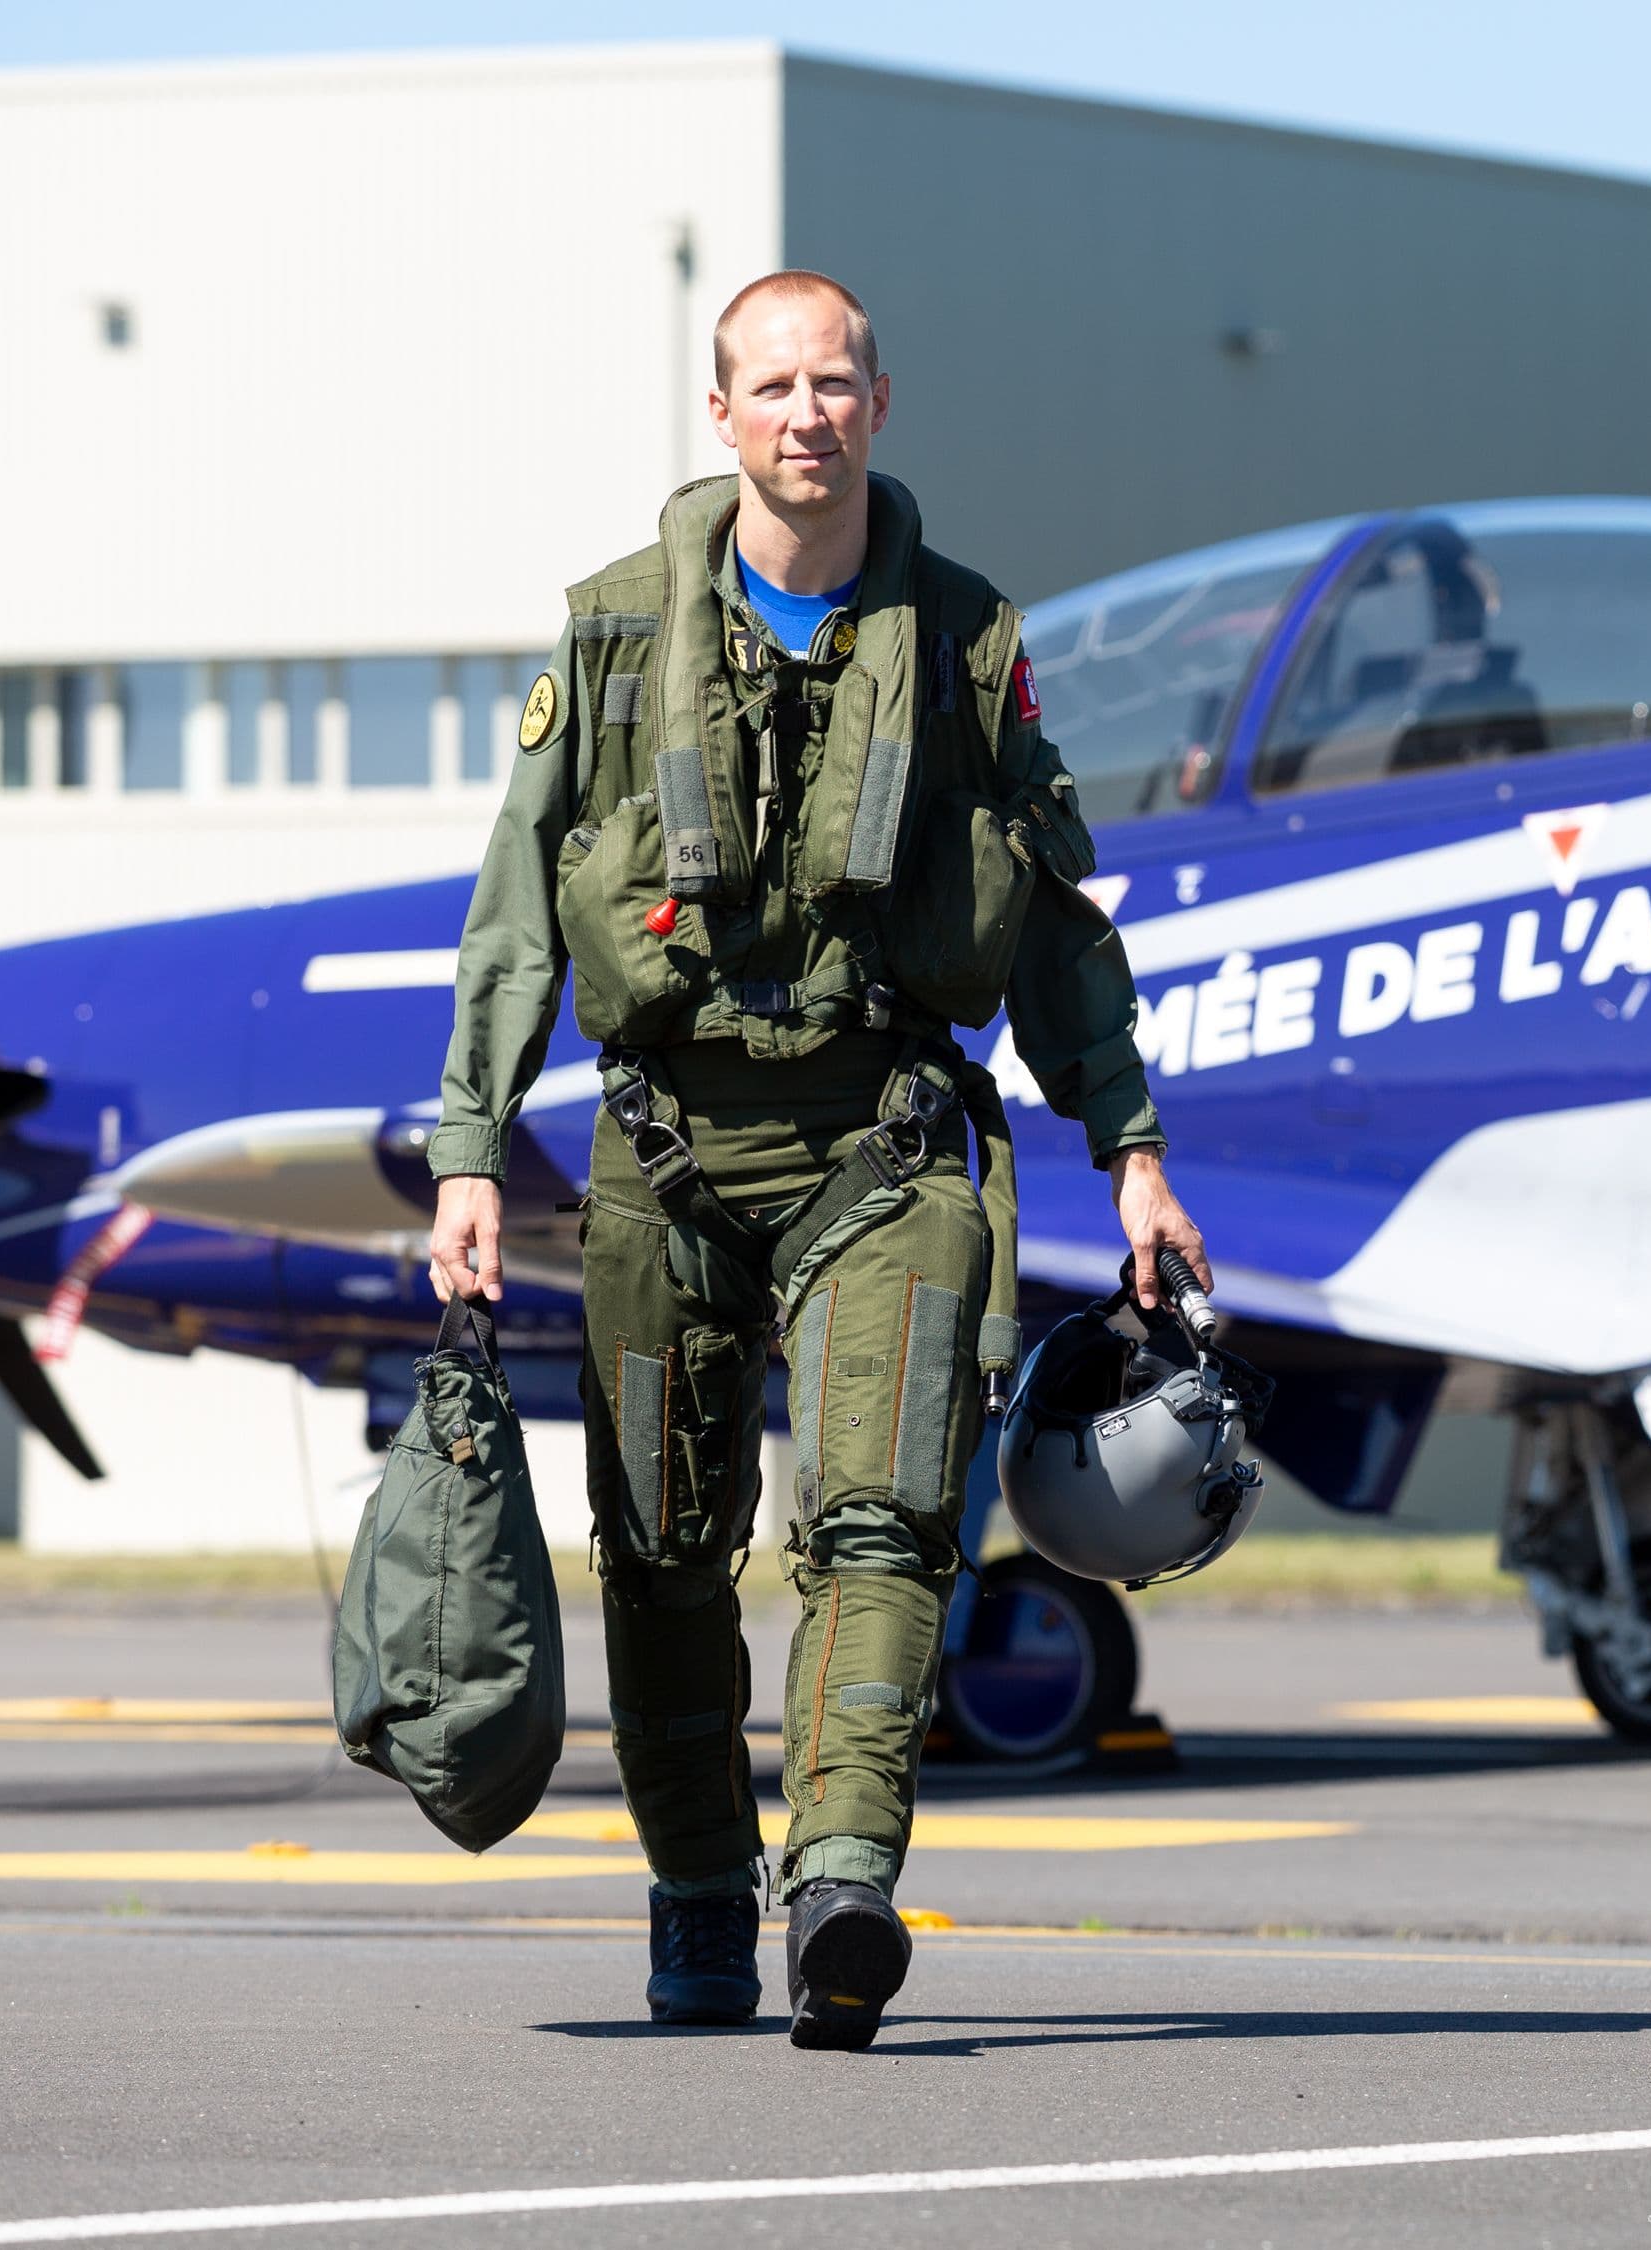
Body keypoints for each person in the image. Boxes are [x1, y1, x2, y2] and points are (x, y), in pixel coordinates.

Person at [426, 269, 1205, 2049]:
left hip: (885, 1138)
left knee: (886, 1523)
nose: (806, 414)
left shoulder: (967, 636)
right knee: (661, 1547)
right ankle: (700, 1892)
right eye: (772, 385)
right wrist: (472, 1143)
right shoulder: (618, 636)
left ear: (878, 405)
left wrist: (1132, 1144)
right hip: (665, 1141)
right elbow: (519, 908)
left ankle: (840, 1881)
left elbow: (1056, 921)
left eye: (835, 383)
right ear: (723, 414)